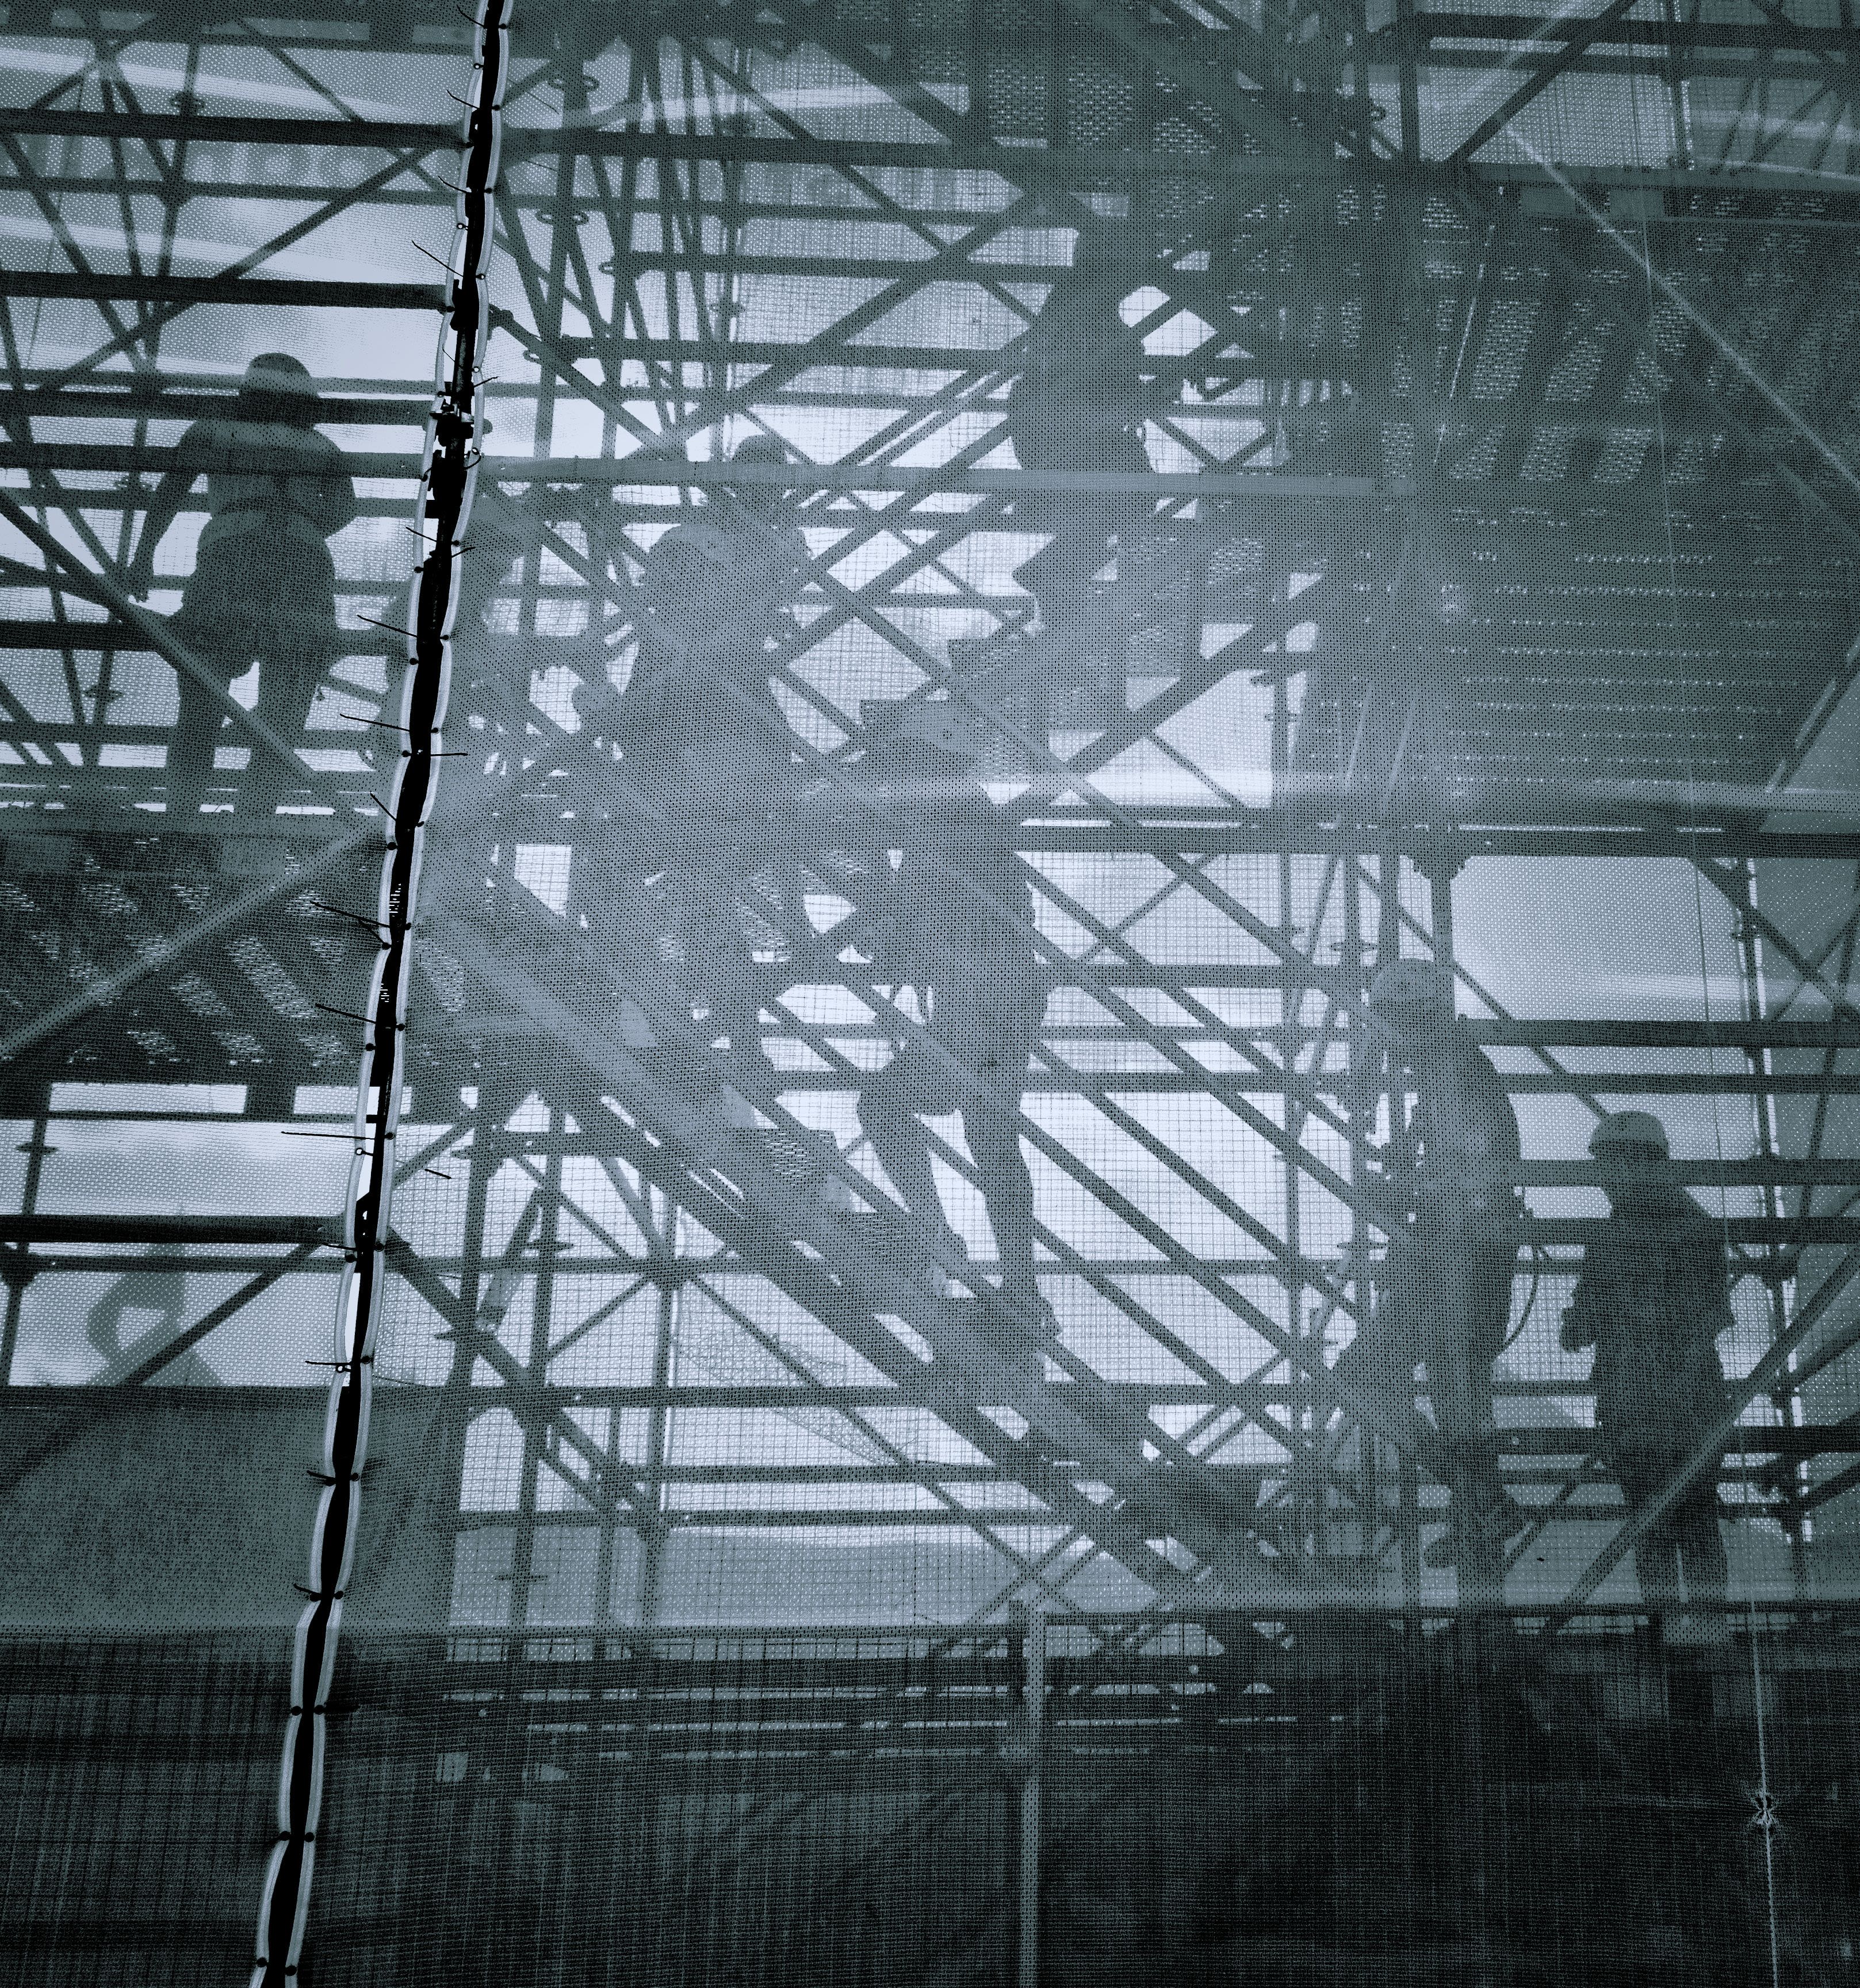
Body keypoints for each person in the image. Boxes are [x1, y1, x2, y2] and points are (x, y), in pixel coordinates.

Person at [575, 437, 810, 1091]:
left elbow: (665, 713)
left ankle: (692, 1031)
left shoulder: (705, 630)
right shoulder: (699, 625)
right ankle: (709, 1036)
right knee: (694, 909)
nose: (656, 587)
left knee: (675, 900)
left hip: (704, 776)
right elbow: (651, 718)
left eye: (668, 574)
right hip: (702, 776)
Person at [855, 698, 1050, 1351]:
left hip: (982, 990)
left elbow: (943, 910)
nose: (892, 777)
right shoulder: (958, 814)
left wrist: (893, 923)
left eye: (902, 761)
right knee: (991, 1144)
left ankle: (937, 1234)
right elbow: (946, 910)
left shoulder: (948, 817)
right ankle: (1019, 1285)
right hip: (996, 992)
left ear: (928, 760)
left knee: (886, 1105)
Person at [124, 353, 357, 815]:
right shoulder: (322, 445)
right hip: (303, 563)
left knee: (202, 692)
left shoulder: (215, 428)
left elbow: (172, 487)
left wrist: (143, 555)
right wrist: (300, 526)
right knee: (287, 702)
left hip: (230, 554)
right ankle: (252, 820)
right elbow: (346, 508)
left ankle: (183, 817)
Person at [1365, 957, 1526, 1574]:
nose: (1389, 1042)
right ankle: (1481, 1508)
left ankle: (1483, 1503)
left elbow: (1470, 1172)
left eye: (1392, 1025)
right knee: (1458, 1393)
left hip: (1454, 1255)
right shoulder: (1452, 1072)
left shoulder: (1454, 1072)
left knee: (1379, 1379)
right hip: (1459, 1254)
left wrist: (1399, 1193)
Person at [1562, 1111, 1733, 1628]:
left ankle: (1689, 1627)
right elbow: (1586, 1318)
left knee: (1672, 1518)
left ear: (1644, 1164)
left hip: (1660, 1403)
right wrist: (1586, 1319)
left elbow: (1705, 1313)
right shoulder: (1686, 1228)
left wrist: (1594, 1320)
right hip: (1668, 1404)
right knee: (1677, 1517)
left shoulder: (1680, 1232)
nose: (1607, 1183)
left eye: (1614, 1168)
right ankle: (1691, 1626)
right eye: (1605, 1171)